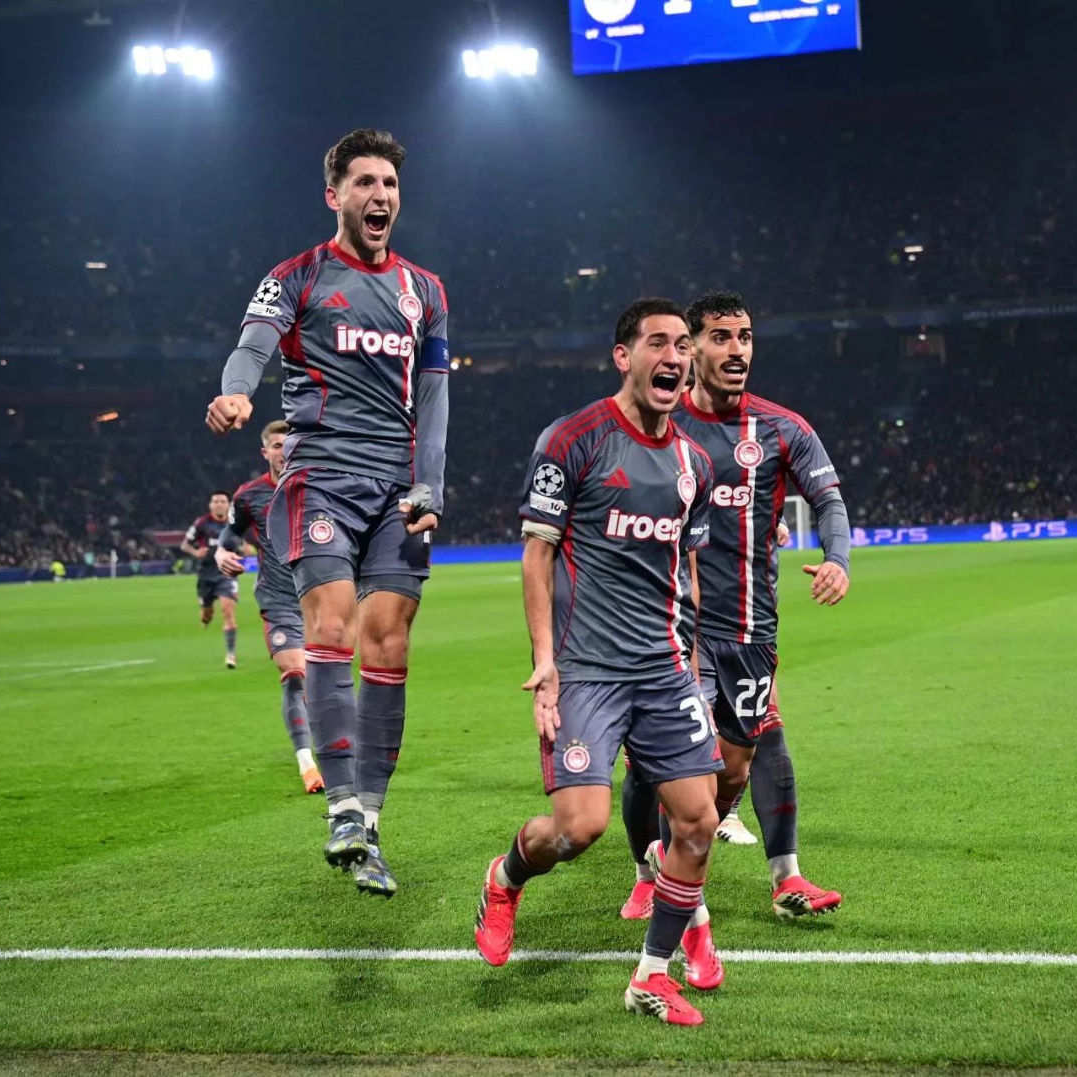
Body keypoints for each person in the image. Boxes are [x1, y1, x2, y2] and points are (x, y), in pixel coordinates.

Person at [205, 127, 450, 898]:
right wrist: (236, 391)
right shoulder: (297, 276)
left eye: (390, 184)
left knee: (390, 644)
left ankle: (368, 821)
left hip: (398, 489)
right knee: (334, 626)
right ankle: (342, 806)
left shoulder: (426, 291)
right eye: (365, 182)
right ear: (334, 195)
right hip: (321, 479)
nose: (381, 195)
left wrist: (432, 486)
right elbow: (252, 346)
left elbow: (435, 398)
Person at [472, 298, 720, 1027]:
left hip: (664, 670)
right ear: (624, 356)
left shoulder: (695, 464)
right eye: (658, 343)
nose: (674, 357)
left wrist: (693, 665)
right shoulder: (573, 440)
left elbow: (688, 572)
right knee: (578, 829)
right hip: (587, 671)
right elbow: (537, 554)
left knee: (698, 822)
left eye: (683, 345)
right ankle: (505, 876)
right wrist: (545, 663)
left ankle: (650, 976)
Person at [618, 292, 849, 957]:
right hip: (674, 629)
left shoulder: (782, 428)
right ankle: (652, 876)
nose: (736, 349)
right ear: (690, 348)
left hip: (752, 630)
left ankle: (681, 863)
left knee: (734, 770)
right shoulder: (660, 424)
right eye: (720, 337)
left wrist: (837, 558)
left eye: (744, 336)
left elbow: (828, 500)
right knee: (660, 764)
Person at [216, 420, 324, 795]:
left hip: (323, 599)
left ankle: (341, 747)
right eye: (277, 445)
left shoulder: (321, 485)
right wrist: (221, 553)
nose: (284, 451)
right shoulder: (250, 496)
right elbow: (230, 534)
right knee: (296, 674)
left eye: (289, 444)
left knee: (326, 680)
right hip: (279, 601)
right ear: (265, 452)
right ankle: (307, 764)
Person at [181, 491, 240, 668]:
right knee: (207, 614)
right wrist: (195, 552)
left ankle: (230, 655)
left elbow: (245, 539)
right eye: (216, 501)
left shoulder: (235, 523)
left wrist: (246, 548)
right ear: (210, 505)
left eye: (223, 501)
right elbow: (184, 544)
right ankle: (205, 618)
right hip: (205, 574)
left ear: (228, 505)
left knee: (228, 611)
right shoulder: (202, 523)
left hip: (226, 572)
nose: (219, 504)